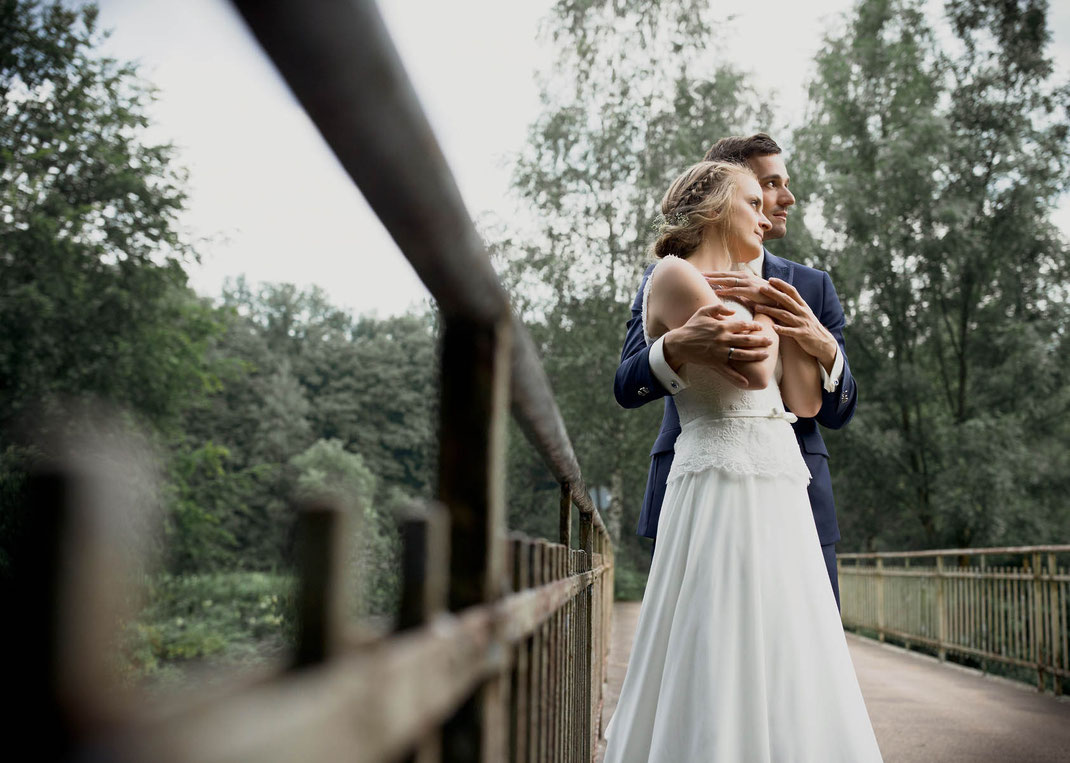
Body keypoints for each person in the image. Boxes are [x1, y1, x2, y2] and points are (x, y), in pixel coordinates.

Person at [601, 161, 881, 761]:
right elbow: (750, 373)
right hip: (721, 474)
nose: (769, 213)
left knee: (794, 649)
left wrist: (810, 333)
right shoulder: (674, 275)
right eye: (754, 200)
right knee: (717, 636)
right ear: (714, 207)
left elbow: (807, 403)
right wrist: (761, 324)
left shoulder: (797, 286)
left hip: (782, 485)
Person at [614, 133, 856, 606]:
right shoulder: (670, 273)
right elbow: (627, 383)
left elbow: (831, 411)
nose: (784, 199)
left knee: (805, 648)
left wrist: (823, 346)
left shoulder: (812, 285)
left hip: (795, 485)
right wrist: (677, 346)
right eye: (767, 185)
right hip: (706, 476)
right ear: (719, 193)